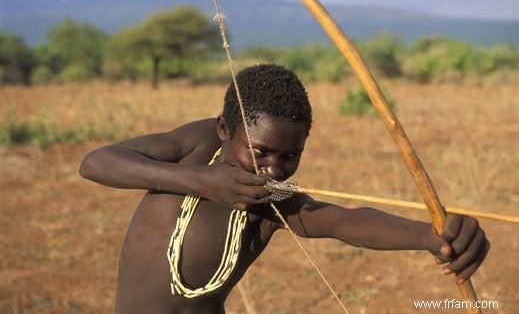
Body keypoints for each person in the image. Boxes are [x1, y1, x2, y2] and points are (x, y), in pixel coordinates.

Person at [80, 64, 489, 314]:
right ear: (225, 129)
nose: (273, 169)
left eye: (290, 156)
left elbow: (341, 221)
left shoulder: (270, 199)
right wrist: (201, 181)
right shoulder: (199, 145)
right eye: (260, 152)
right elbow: (96, 162)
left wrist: (429, 236)